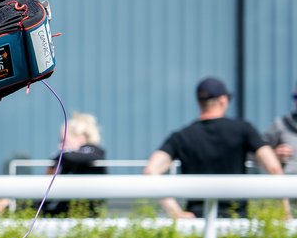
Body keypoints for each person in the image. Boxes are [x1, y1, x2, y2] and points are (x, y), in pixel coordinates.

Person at [143, 77, 290, 219]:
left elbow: (150, 171)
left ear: (200, 102)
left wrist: (176, 213)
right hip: (237, 222)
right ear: (223, 100)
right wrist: (285, 211)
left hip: (198, 224)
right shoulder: (243, 129)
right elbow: (273, 168)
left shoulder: (181, 136)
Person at [41, 112, 107, 216]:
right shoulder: (69, 161)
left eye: (64, 141)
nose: (60, 146)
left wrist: (57, 159)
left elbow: (72, 156)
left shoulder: (94, 150)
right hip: (67, 214)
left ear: (80, 138)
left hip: (86, 216)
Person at [262, 81, 297, 175]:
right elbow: (254, 156)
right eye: (296, 97)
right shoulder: (280, 124)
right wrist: (274, 155)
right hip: (288, 187)